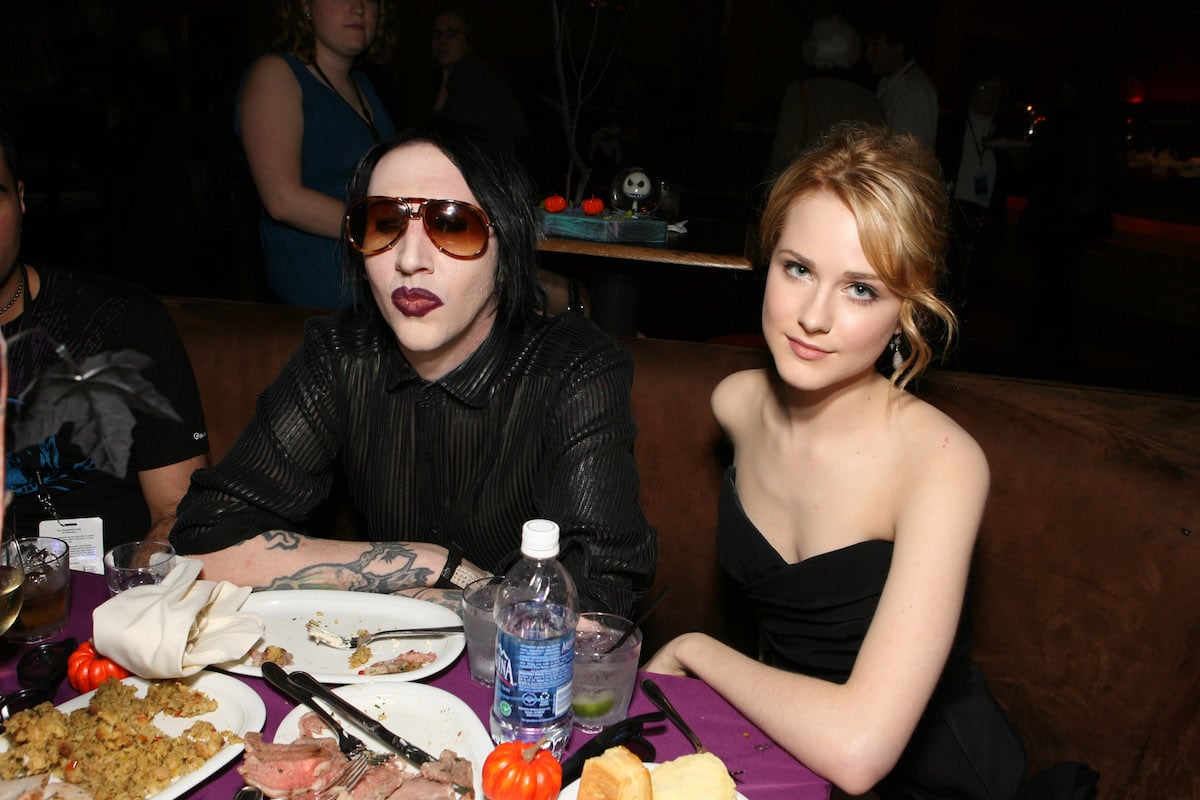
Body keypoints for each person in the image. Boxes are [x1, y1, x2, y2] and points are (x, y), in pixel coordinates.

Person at [644, 123, 1031, 798]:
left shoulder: (942, 463)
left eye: (861, 289)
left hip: (925, 778)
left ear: (907, 310)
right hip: (781, 749)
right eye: (798, 269)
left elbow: (859, 751)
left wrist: (695, 650)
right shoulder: (736, 405)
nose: (813, 316)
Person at [170, 118, 656, 615]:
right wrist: (431, 563)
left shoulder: (574, 368)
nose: (408, 258)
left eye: (452, 224)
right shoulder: (338, 354)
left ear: (507, 248)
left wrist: (455, 597)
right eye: (385, 223)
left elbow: (598, 602)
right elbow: (204, 541)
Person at [0, 119, 209, 552]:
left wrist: (134, 585)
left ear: (19, 199)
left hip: (108, 581)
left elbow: (178, 509)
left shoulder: (119, 320)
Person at [236, 0, 398, 308]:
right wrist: (391, 228)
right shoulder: (276, 73)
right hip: (321, 304)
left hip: (373, 292)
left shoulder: (363, 84)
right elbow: (282, 200)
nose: (358, 7)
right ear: (305, 7)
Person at [766, 14, 885, 177]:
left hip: (808, 181)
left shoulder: (800, 92)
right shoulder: (870, 98)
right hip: (857, 184)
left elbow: (783, 152)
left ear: (811, 48)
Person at [935, 70, 1014, 305]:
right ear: (971, 93)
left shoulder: (1005, 131)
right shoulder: (953, 126)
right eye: (984, 89)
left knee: (976, 279)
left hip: (986, 215)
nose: (991, 96)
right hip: (955, 212)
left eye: (996, 91)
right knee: (947, 276)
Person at [429, 5, 529, 154]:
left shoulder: (471, 74)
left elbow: (442, 136)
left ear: (470, 40)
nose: (441, 40)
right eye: (436, 34)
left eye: (451, 33)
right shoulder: (457, 74)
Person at [863, 15, 938, 148]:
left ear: (898, 46)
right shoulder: (889, 83)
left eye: (874, 45)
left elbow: (905, 152)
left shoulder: (913, 91)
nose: (867, 53)